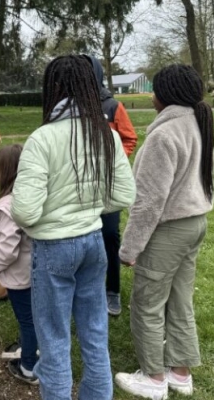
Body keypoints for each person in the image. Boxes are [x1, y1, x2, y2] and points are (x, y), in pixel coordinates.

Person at [11, 55, 136, 400]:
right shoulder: (105, 135)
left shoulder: (42, 139)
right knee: (95, 334)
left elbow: (23, 210)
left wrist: (52, 217)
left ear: (52, 89)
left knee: (53, 341)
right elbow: (124, 193)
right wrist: (89, 208)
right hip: (93, 244)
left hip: (54, 248)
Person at [114, 64, 214, 399]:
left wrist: (129, 249)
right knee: (180, 300)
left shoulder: (163, 135)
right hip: (195, 223)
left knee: (147, 303)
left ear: (165, 95)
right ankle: (181, 373)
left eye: (155, 89)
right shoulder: (198, 122)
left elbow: (148, 202)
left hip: (168, 229)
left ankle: (154, 378)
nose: (152, 95)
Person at [85, 55, 138, 316]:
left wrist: (114, 161)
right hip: (81, 185)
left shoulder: (113, 106)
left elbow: (129, 137)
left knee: (108, 235)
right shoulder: (71, 107)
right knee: (83, 235)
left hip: (108, 186)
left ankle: (112, 290)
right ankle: (85, 287)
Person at [0, 144, 38, 386]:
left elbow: (7, 247)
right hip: (34, 271)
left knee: (27, 319)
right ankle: (30, 347)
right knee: (33, 316)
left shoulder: (8, 205)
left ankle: (28, 366)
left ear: (7, 169)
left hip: (19, 276)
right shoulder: (30, 195)